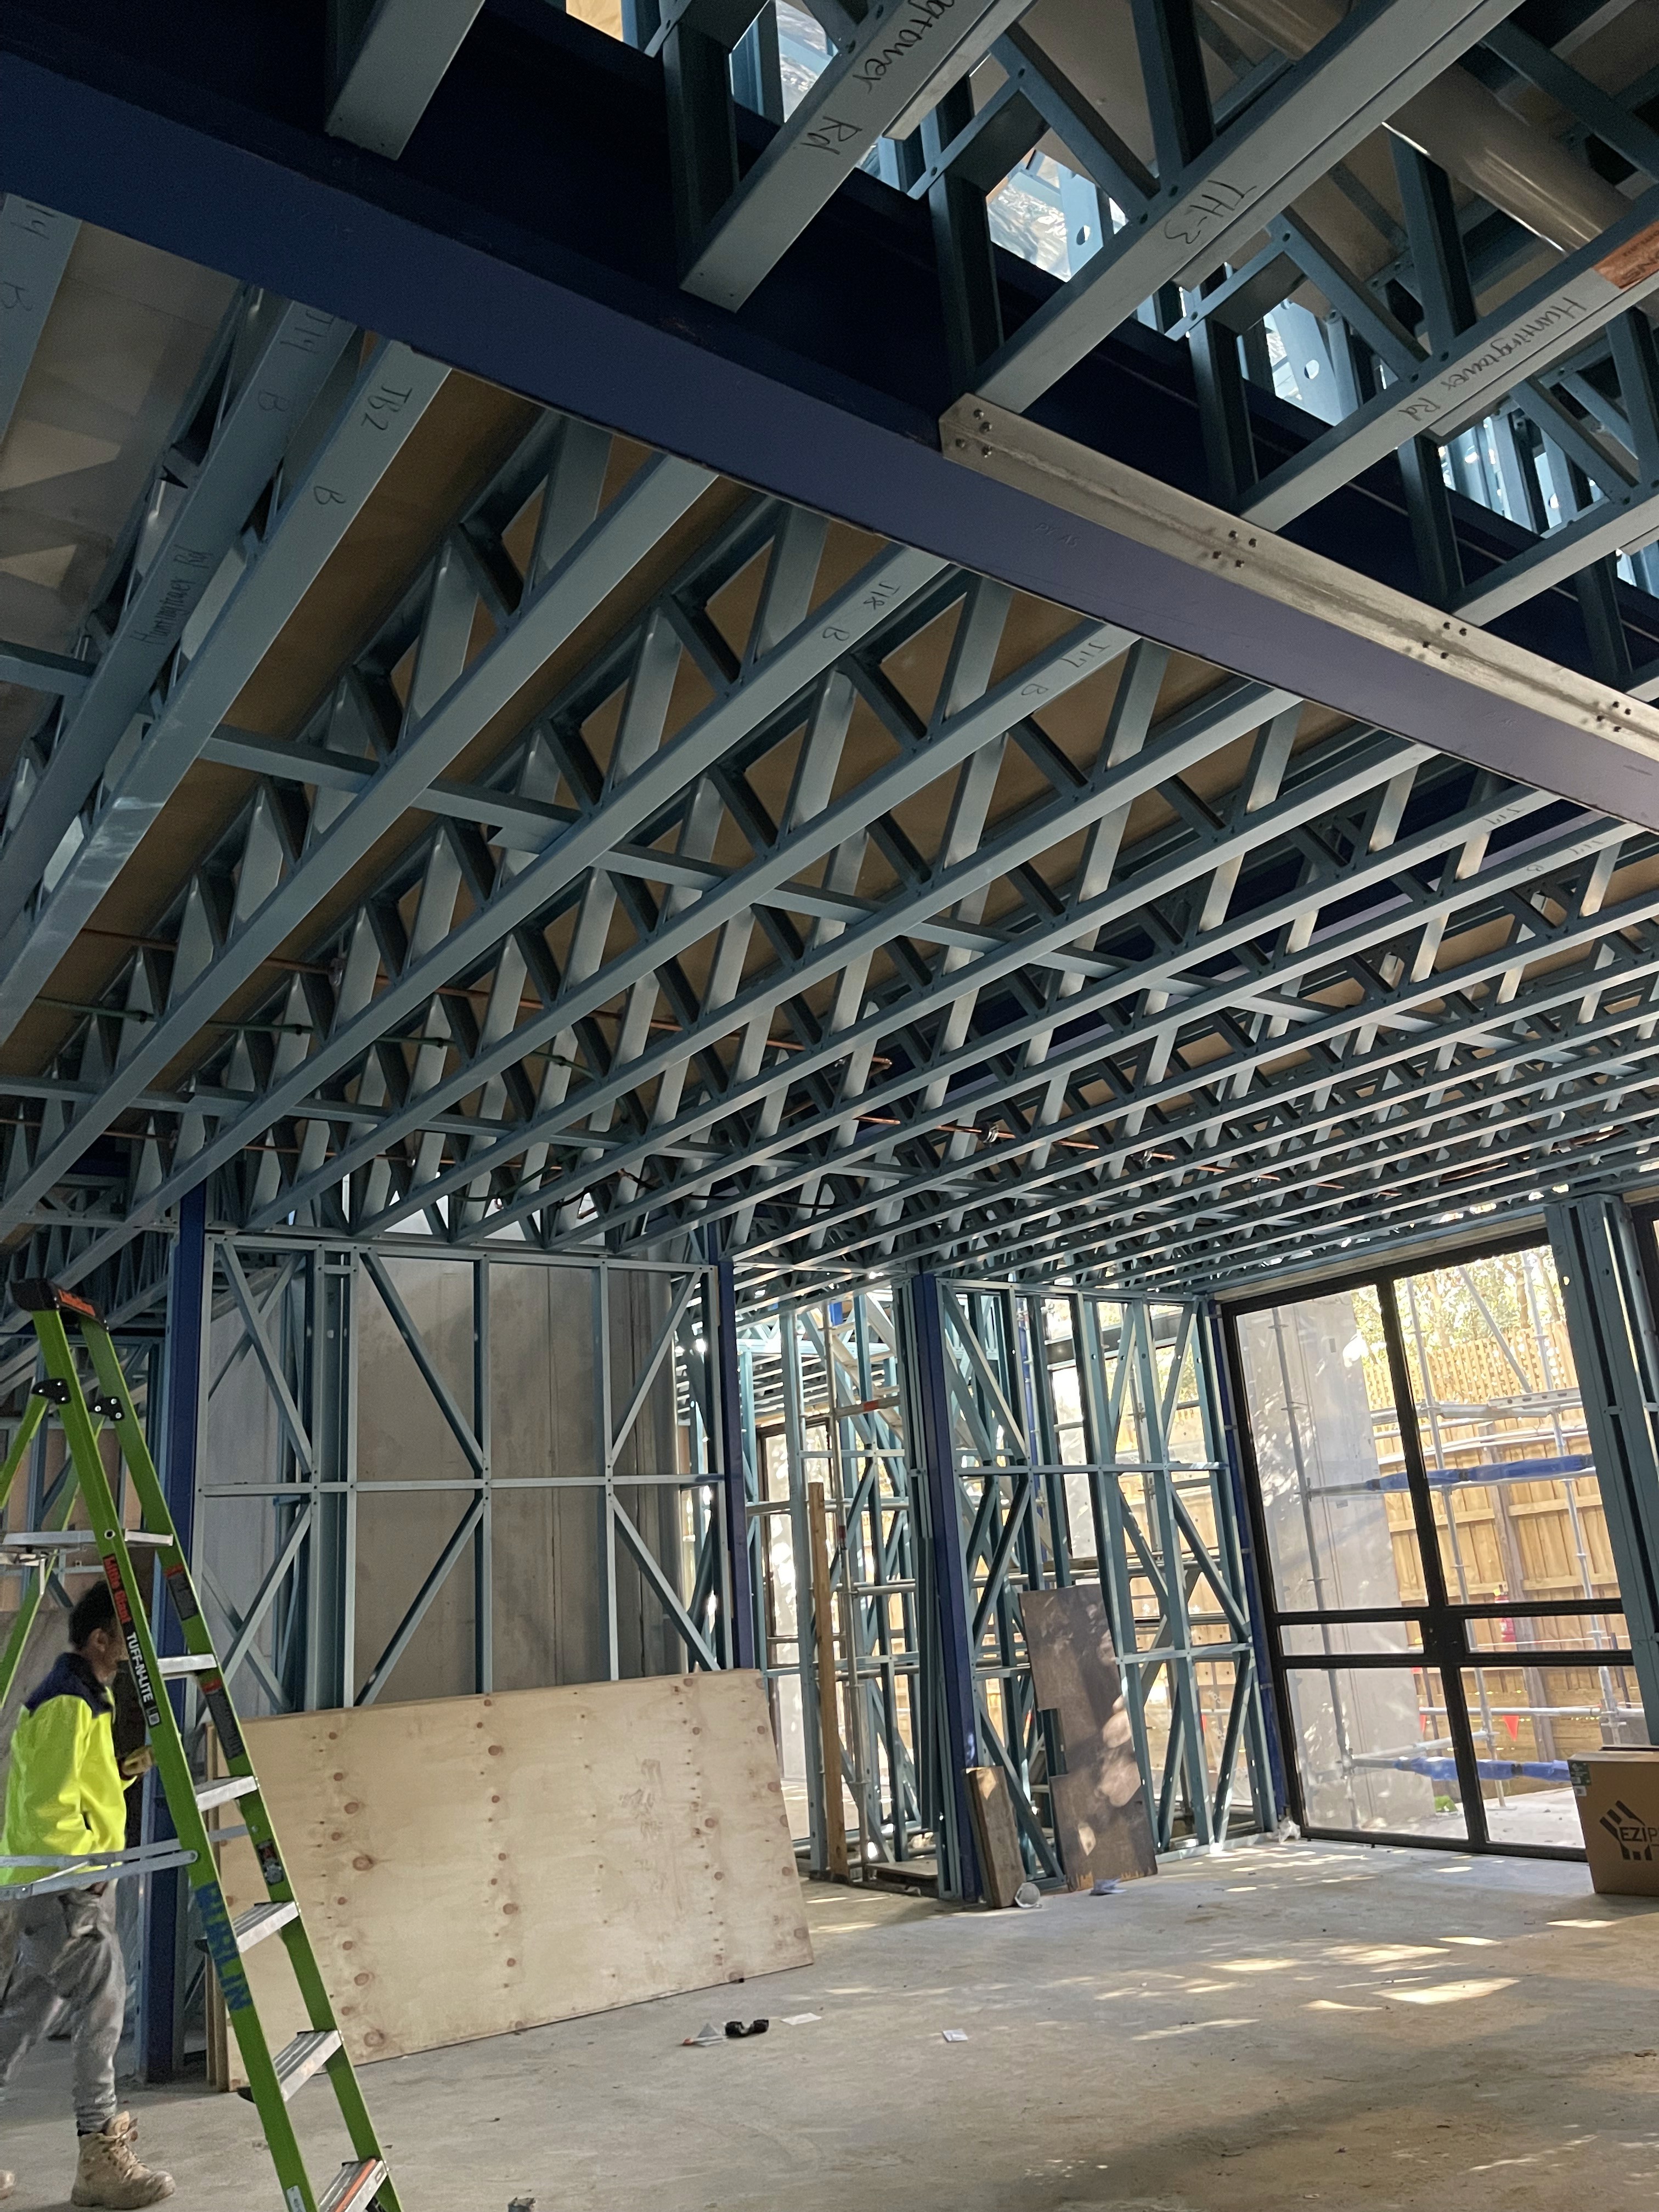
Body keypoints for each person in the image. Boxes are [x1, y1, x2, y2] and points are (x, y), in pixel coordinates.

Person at [0, 1582, 175, 2207]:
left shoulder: (86, 1697)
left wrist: (122, 1772)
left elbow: (76, 1785)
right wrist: (82, 1871)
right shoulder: (68, 1703)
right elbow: (47, 1809)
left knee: (25, 2018)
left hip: (56, 1886)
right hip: (62, 1886)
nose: (133, 1652)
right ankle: (100, 2155)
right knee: (104, 1997)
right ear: (100, 1638)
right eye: (125, 1638)